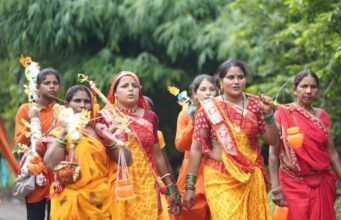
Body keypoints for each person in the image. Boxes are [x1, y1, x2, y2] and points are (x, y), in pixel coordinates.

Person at [183, 59, 279, 219]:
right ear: (220, 82)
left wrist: (269, 114)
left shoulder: (256, 106)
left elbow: (273, 141)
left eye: (240, 77)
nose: (236, 81)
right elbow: (197, 148)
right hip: (220, 178)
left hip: (250, 177)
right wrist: (190, 186)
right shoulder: (208, 107)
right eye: (230, 77)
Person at [95, 71, 182, 219]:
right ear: (115, 92)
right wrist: (111, 131)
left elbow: (157, 155)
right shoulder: (104, 117)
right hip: (118, 182)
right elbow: (98, 153)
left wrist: (170, 187)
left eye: (134, 86)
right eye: (125, 86)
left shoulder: (150, 117)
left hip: (147, 182)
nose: (131, 89)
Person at [268, 70, 341, 220]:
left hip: (322, 182)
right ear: (295, 90)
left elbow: (332, 152)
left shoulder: (322, 116)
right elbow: (273, 154)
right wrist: (275, 188)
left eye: (313, 87)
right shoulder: (282, 113)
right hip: (293, 183)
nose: (308, 91)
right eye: (304, 86)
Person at [44, 85, 132, 220]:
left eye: (87, 101)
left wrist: (109, 137)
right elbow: (50, 163)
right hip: (68, 202)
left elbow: (127, 160)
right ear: (67, 105)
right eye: (77, 101)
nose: (82, 105)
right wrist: (64, 132)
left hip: (99, 202)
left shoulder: (100, 131)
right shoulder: (58, 133)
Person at [14, 68, 61, 220]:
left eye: (55, 83)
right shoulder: (26, 109)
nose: (52, 86)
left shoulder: (63, 110)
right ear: (38, 87)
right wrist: (30, 122)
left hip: (58, 174)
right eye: (47, 83)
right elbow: (19, 144)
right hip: (35, 173)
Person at [175, 74, 216, 220]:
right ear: (194, 94)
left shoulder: (222, 113)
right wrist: (193, 122)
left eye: (212, 89)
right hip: (192, 168)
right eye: (203, 89)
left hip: (217, 167)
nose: (208, 93)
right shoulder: (186, 114)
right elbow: (180, 145)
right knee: (191, 211)